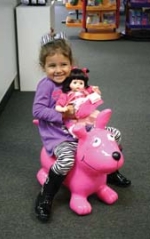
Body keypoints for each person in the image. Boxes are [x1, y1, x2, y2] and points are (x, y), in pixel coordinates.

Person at [32, 32, 131, 223]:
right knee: (67, 158)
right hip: (58, 135)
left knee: (114, 137)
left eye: (63, 65)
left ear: (71, 63)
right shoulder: (45, 85)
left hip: (83, 126)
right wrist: (62, 115)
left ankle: (111, 173)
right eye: (52, 66)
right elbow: (37, 110)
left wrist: (92, 91)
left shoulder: (74, 76)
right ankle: (46, 196)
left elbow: (83, 89)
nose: (59, 70)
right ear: (43, 67)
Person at [55, 67, 103, 137]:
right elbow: (58, 106)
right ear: (69, 83)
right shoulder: (66, 94)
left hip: (86, 109)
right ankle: (80, 132)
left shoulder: (85, 90)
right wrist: (62, 109)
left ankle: (96, 126)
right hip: (74, 114)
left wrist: (96, 91)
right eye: (75, 82)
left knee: (96, 115)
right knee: (72, 124)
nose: (78, 85)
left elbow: (96, 93)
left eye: (81, 83)